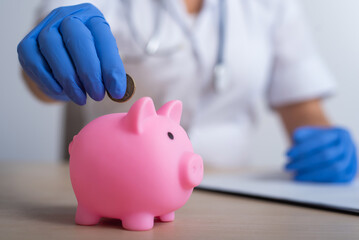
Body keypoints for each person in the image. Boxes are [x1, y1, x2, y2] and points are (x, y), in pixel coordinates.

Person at [17, 0, 357, 183]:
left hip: (238, 193)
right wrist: (49, 62)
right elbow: (44, 82)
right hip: (122, 183)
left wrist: (326, 144)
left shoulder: (272, 5)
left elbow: (303, 109)